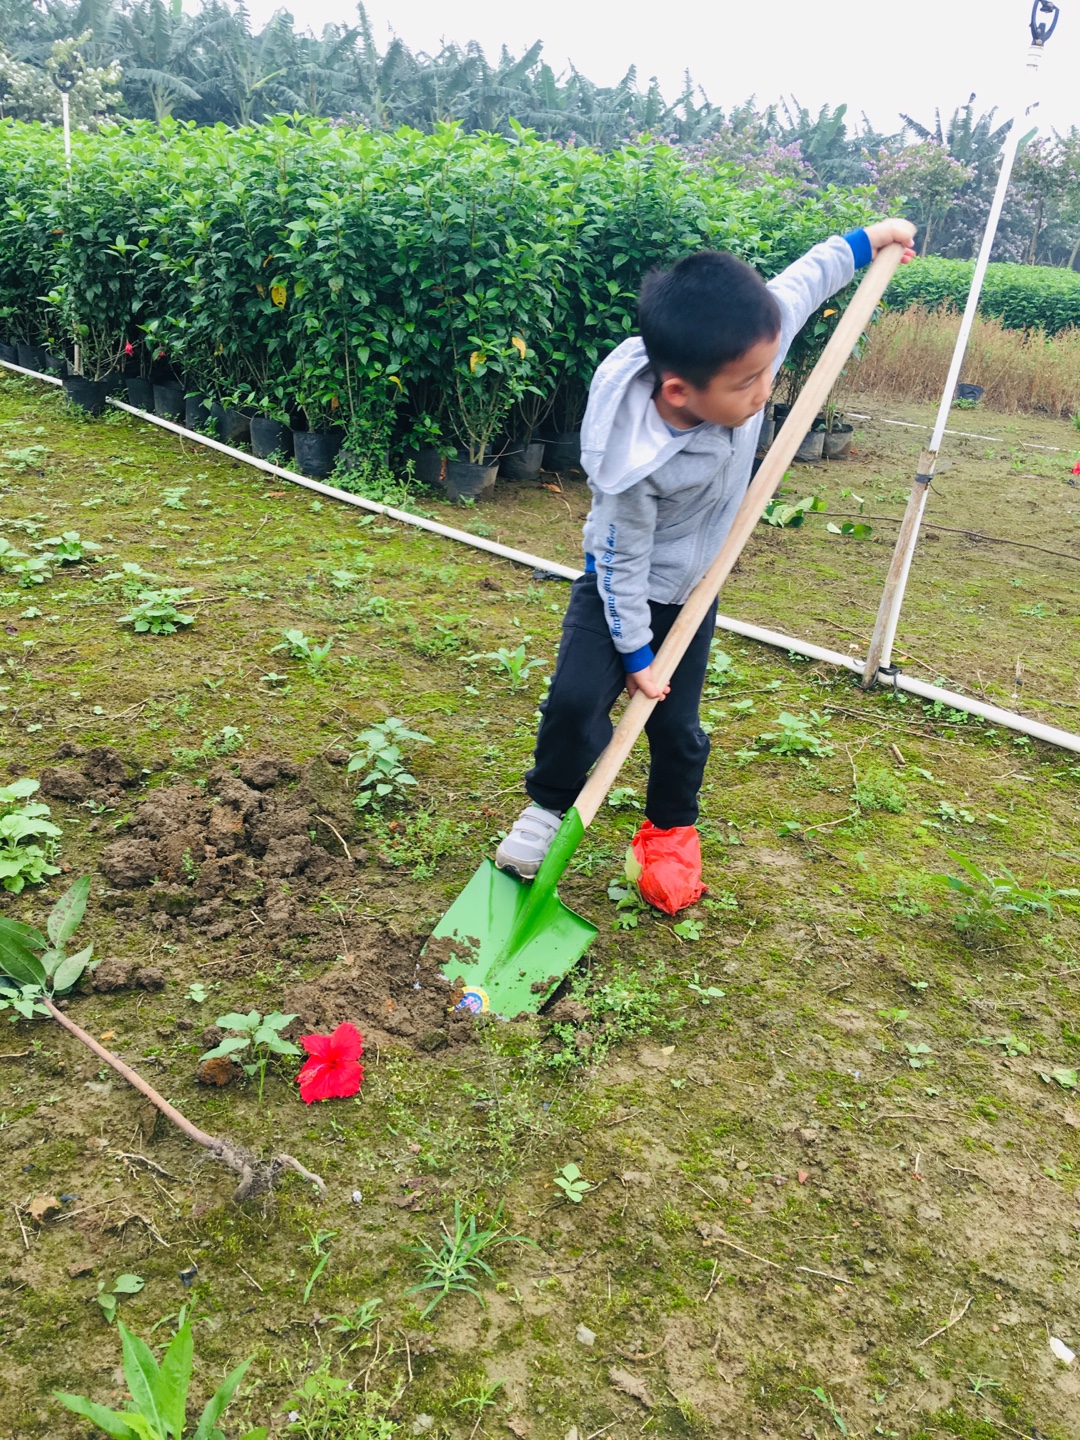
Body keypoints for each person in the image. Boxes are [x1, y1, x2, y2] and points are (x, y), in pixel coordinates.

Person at [495, 218, 917, 904]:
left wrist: (872, 239)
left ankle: (669, 834)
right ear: (678, 393)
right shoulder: (633, 464)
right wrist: (635, 654)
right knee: (575, 703)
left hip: (694, 592)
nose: (764, 390)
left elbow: (806, 280)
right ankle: (546, 809)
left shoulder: (738, 346)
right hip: (619, 592)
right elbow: (624, 563)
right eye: (748, 383)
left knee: (679, 729)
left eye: (767, 371)